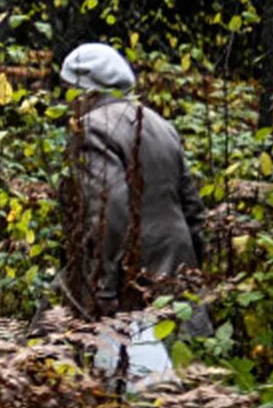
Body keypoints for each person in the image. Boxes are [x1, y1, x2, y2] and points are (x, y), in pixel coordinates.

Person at [57, 42, 206, 319]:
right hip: (178, 274)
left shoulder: (91, 129)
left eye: (68, 89)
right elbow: (193, 209)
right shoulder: (160, 124)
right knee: (184, 360)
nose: (67, 99)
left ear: (84, 90)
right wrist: (194, 270)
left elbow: (108, 212)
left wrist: (103, 289)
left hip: (131, 283)